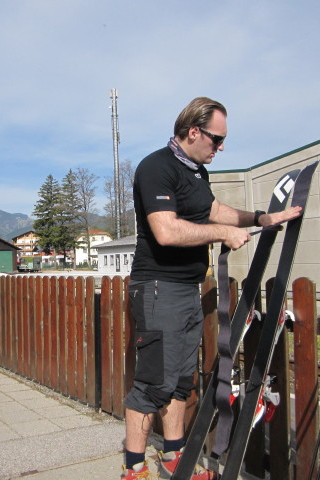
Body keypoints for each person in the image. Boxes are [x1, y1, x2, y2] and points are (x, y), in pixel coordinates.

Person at [122, 97, 302, 479]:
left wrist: (261, 218)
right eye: (217, 140)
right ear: (193, 131)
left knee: (180, 382)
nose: (221, 147)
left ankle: (173, 457)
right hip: (157, 289)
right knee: (153, 383)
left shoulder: (196, 173)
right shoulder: (156, 167)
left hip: (186, 288)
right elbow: (166, 230)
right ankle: (133, 469)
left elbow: (215, 210)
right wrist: (224, 234)